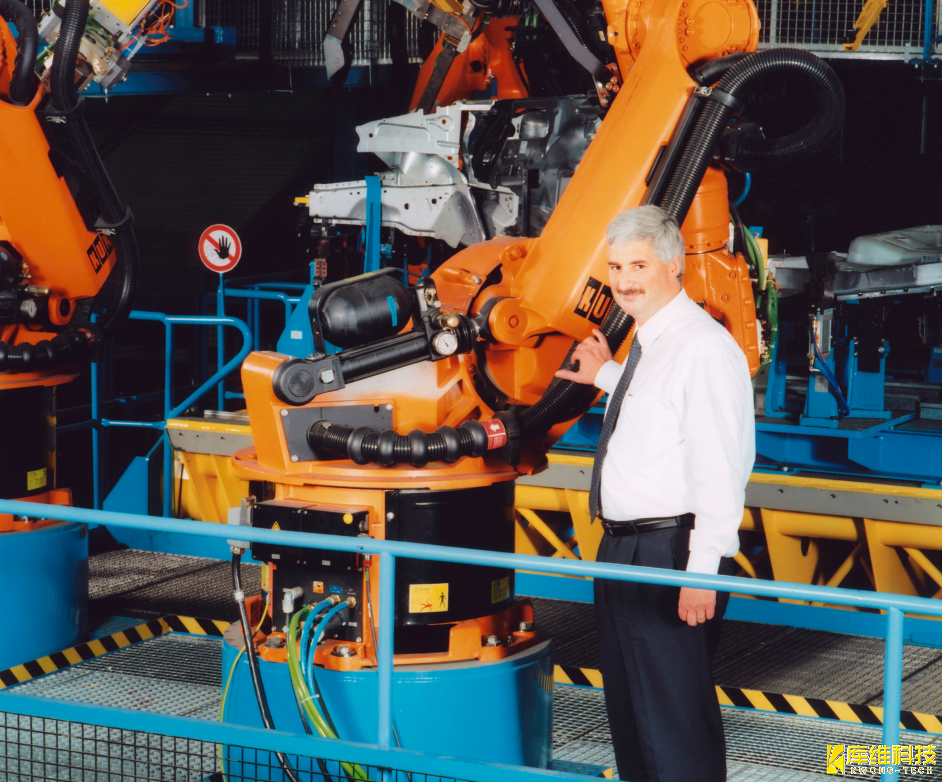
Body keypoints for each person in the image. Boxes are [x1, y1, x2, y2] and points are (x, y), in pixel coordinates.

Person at [556, 204, 755, 782]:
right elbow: (658, 411)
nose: (623, 281)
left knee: (671, 717)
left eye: (638, 266)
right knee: (633, 711)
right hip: (623, 549)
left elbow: (720, 467)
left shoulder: (703, 348)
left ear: (674, 265)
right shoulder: (652, 345)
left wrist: (701, 571)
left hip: (670, 553)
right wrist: (604, 374)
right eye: (616, 267)